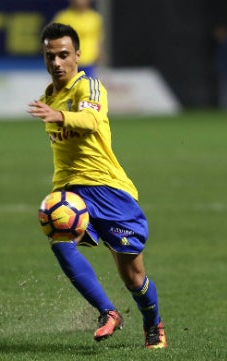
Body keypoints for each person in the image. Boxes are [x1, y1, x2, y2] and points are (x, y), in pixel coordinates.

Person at [27, 23, 167, 349]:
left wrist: (59, 117)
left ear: (78, 54)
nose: (57, 62)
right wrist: (57, 195)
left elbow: (89, 122)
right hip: (73, 192)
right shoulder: (48, 96)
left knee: (133, 277)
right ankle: (108, 312)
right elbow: (63, 156)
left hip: (110, 190)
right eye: (50, 56)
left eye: (64, 55)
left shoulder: (88, 85)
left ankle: (153, 324)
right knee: (58, 236)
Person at [52, 0, 103, 78]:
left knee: (87, 88)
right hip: (69, 63)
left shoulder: (95, 18)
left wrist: (99, 54)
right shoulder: (63, 17)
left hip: (88, 62)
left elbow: (98, 38)